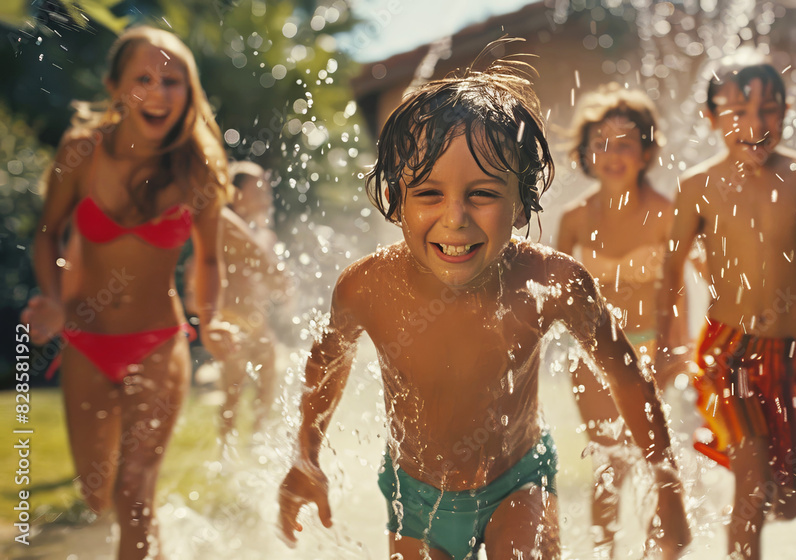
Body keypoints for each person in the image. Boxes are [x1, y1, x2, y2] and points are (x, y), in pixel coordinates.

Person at [277, 43, 691, 560]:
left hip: (517, 483)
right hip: (417, 496)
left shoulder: (550, 282)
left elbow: (625, 373)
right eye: (429, 193)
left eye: (483, 194)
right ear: (393, 200)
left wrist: (666, 483)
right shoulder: (367, 288)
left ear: (521, 204)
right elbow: (326, 363)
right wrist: (305, 455)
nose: (455, 219)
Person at [21, 26, 232, 560]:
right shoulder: (80, 154)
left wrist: (212, 320)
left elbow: (208, 258)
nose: (159, 92)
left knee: (134, 495)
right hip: (87, 344)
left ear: (190, 92)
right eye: (143, 79)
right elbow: (47, 232)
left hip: (159, 343)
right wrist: (50, 296)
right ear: (115, 86)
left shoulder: (197, 168)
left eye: (173, 81)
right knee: (98, 495)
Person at [655, 56, 796, 560]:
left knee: (786, 501)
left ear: (786, 112)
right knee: (754, 486)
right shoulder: (697, 186)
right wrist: (668, 343)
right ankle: (745, 491)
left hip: (791, 356)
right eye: (735, 112)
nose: (754, 126)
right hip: (728, 352)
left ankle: (752, 484)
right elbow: (669, 271)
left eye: (769, 111)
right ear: (710, 118)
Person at [556, 83, 692, 554]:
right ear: (585, 153)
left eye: (625, 144)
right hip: (593, 356)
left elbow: (681, 287)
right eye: (601, 144)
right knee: (609, 463)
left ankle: (663, 547)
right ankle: (606, 551)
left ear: (647, 151)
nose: (612, 155)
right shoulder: (574, 219)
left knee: (656, 460)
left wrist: (680, 346)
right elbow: (554, 289)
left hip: (653, 348)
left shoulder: (664, 213)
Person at [186, 160, 288, 449]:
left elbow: (273, 277)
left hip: (259, 322)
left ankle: (258, 442)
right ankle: (226, 447)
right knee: (232, 387)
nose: (265, 196)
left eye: (266, 190)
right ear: (235, 192)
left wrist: (285, 290)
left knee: (268, 380)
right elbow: (199, 266)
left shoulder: (267, 236)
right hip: (231, 318)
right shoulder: (221, 228)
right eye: (258, 189)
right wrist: (199, 303)